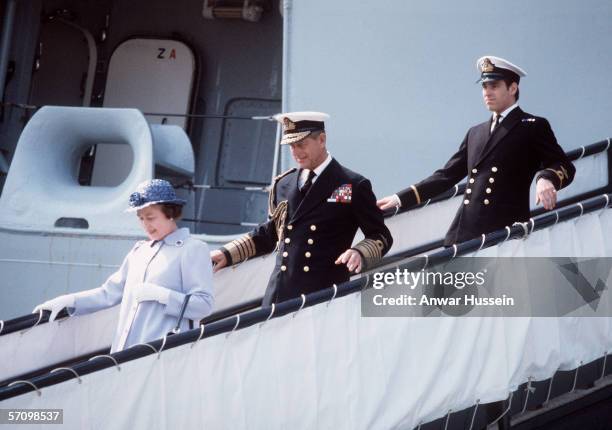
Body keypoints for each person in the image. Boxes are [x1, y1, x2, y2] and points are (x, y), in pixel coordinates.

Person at [377, 56, 576, 246]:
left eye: (494, 86)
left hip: (504, 234)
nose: (487, 92)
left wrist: (546, 178)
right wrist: (400, 198)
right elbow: (446, 176)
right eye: (484, 86)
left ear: (513, 88)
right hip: (464, 234)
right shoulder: (475, 133)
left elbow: (564, 165)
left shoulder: (532, 126)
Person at [211, 112, 393, 305]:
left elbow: (380, 235)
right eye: (292, 146)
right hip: (278, 296)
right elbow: (271, 233)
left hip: (323, 297)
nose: (296, 152)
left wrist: (359, 252)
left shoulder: (351, 184)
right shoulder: (284, 183)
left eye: (301, 144)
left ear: (322, 140)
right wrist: (227, 253)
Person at [33, 179, 214, 353]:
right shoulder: (139, 252)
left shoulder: (192, 249)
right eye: (141, 218)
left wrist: (164, 296)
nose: (145, 225)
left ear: (171, 213)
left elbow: (204, 305)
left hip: (164, 356)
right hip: (124, 354)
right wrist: (70, 301)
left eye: (151, 217)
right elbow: (108, 294)